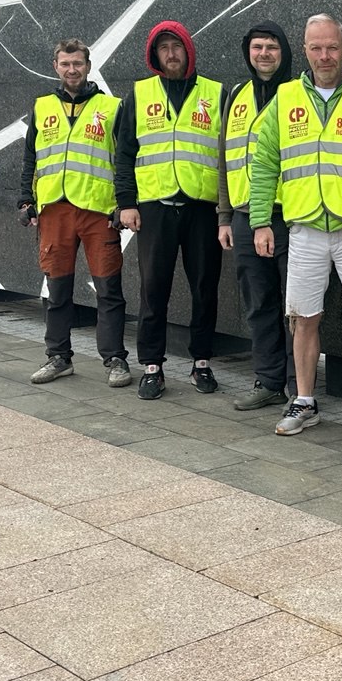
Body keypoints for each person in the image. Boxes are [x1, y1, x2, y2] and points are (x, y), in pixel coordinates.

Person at [247, 14, 342, 438]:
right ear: (305, 51)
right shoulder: (286, 97)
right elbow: (264, 163)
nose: (324, 56)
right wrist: (260, 221)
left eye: (331, 47)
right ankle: (305, 400)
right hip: (305, 228)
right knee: (303, 318)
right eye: (316, 48)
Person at [113, 20, 225, 400]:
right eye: (164, 48)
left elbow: (228, 153)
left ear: (188, 50)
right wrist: (126, 203)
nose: (171, 54)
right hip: (154, 208)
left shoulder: (215, 93)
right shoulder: (139, 94)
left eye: (176, 46)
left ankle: (201, 363)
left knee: (205, 288)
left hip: (202, 207)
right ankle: (152, 367)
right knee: (153, 290)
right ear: (154, 54)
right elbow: (124, 153)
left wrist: (225, 211)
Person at [18, 38, 130, 388]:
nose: (72, 70)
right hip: (54, 211)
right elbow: (30, 157)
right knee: (57, 290)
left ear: (88, 66)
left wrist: (124, 203)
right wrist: (25, 199)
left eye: (77, 63)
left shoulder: (112, 107)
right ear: (55, 66)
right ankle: (58, 357)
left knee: (108, 290)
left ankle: (115, 359)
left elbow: (125, 160)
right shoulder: (42, 107)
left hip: (98, 211)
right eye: (65, 64)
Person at [217, 21, 296, 410]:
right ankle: (268, 380)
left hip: (290, 216)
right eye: (257, 47)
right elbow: (224, 158)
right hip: (246, 218)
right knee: (258, 304)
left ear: (285, 52)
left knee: (297, 307)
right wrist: (224, 216)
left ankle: (300, 387)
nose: (264, 54)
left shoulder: (297, 94)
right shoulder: (236, 95)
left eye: (272, 47)